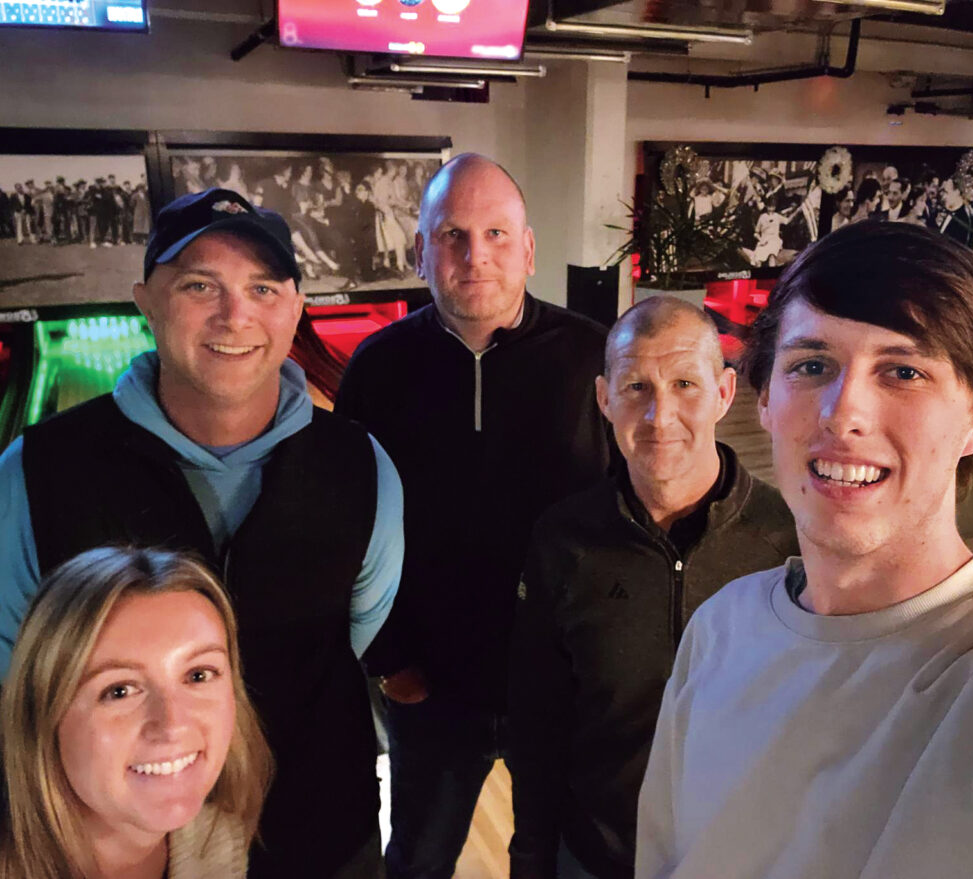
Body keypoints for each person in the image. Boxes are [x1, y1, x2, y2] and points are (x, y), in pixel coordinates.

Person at [0, 187, 404, 879]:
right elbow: (20, 674)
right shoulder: (34, 471)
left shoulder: (362, 464)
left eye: (262, 288)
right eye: (199, 285)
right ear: (146, 301)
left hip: (324, 827)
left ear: (296, 309)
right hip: (120, 847)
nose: (234, 314)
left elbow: (359, 629)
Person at [636, 221, 973, 879]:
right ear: (764, 399)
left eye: (903, 371)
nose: (844, 414)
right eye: (812, 366)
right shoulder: (720, 629)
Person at [337, 153, 611, 879]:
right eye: (452, 235)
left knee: (554, 859)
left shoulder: (593, 357)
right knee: (418, 859)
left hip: (561, 683)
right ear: (420, 251)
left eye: (495, 234)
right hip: (431, 685)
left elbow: (629, 511)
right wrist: (388, 660)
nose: (475, 255)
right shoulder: (378, 366)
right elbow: (345, 522)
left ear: (528, 249)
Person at [508, 297, 798, 879]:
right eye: (636, 386)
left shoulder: (790, 538)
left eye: (684, 384)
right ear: (603, 399)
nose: (659, 416)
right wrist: (531, 857)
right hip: (597, 857)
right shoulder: (563, 539)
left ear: (723, 393)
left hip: (749, 860)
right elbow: (538, 719)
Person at [0, 545, 272, 879]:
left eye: (198, 675)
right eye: (119, 691)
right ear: (43, 716)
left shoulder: (219, 840)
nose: (173, 725)